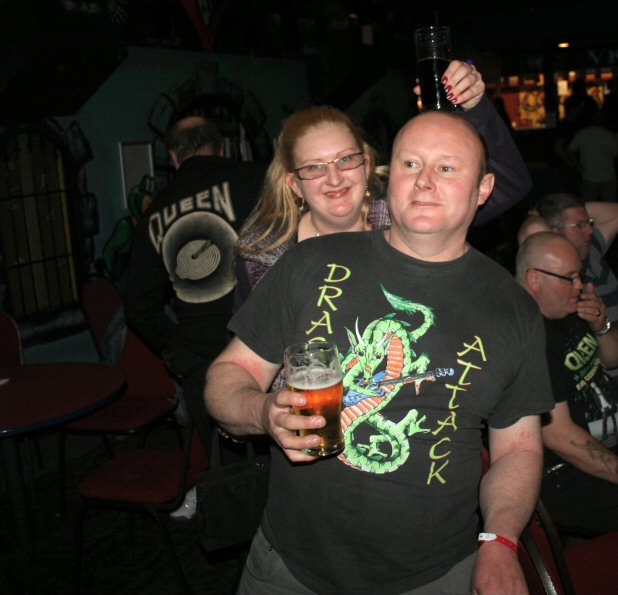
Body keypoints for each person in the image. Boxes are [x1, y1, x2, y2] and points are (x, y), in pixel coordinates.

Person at [205, 110, 553, 594]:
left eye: (447, 167)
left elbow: (518, 448)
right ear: (390, 177)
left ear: (483, 188)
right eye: (411, 163)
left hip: (434, 576)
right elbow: (228, 375)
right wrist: (262, 411)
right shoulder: (310, 262)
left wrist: (500, 540)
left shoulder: (514, 309)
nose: (425, 181)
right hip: (288, 566)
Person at [234, 60, 532, 307]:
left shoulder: (402, 215)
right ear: (294, 184)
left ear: (366, 165)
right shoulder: (265, 253)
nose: (334, 178)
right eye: (315, 167)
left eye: (345, 160)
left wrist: (475, 107)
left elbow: (509, 183)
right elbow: (251, 347)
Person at [124, 115, 266, 457]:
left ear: (174, 157)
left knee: (229, 473)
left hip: (202, 360)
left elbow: (138, 306)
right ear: (220, 147)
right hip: (266, 347)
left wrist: (179, 350)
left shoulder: (155, 213)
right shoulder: (255, 179)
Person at [516, 232, 618, 535]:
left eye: (580, 275)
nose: (579, 285)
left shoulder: (565, 309)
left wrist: (600, 326)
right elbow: (559, 436)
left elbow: (612, 360)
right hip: (570, 475)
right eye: (569, 278)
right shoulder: (526, 338)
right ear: (534, 278)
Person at [534, 193, 618, 381]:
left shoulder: (592, 250)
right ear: (555, 232)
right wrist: (539, 218)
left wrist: (568, 209)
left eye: (589, 222)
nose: (589, 229)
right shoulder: (557, 281)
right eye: (580, 225)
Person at [567, 108, 618, 202]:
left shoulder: (583, 133)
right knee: (609, 207)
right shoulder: (609, 135)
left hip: (589, 177)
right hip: (608, 177)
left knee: (589, 207)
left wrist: (577, 165)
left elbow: (570, 150)